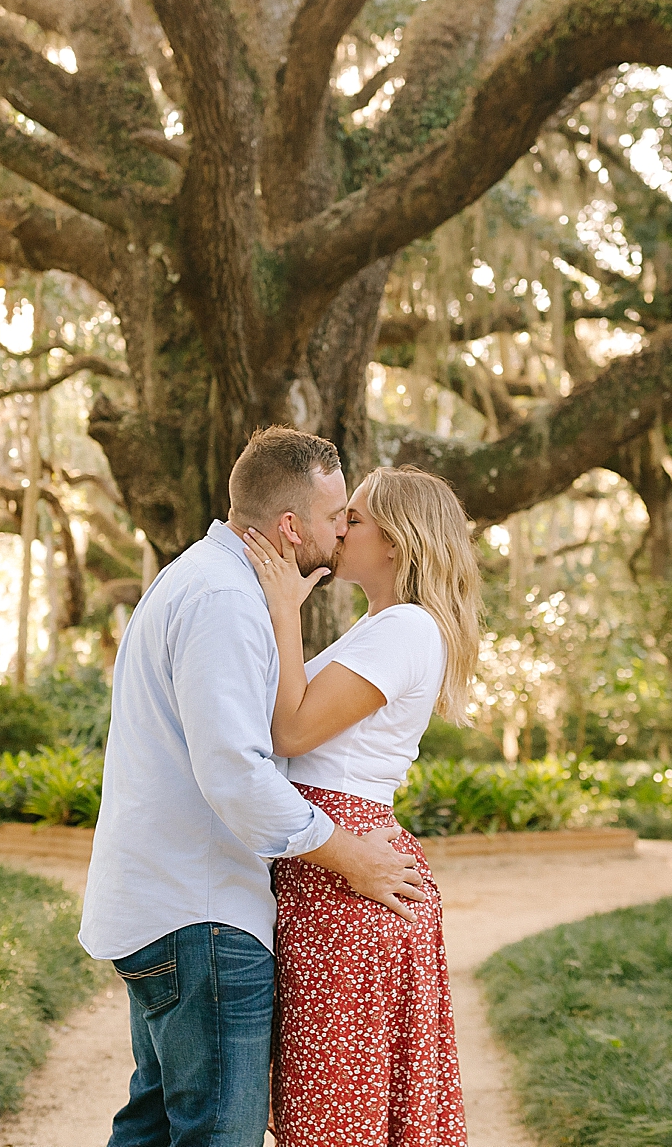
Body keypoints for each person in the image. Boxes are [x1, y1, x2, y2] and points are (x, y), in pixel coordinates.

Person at [79, 426, 428, 1147]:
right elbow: (236, 774)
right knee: (218, 1136)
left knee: (152, 1128)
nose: (341, 533)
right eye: (338, 518)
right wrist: (349, 856)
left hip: (169, 906)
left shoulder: (205, 579)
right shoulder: (224, 601)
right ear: (291, 527)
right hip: (200, 915)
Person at [240, 464, 482, 1147]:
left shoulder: (404, 629)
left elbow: (291, 730)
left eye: (359, 518)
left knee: (334, 1113)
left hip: (347, 882)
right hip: (338, 869)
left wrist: (285, 608)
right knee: (340, 1105)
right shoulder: (386, 626)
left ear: (398, 543)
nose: (341, 527)